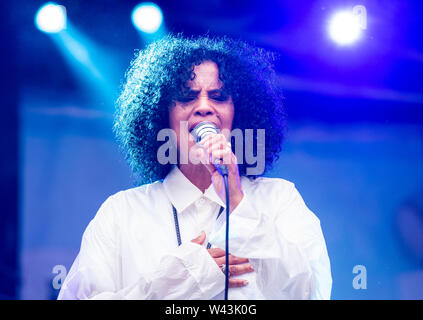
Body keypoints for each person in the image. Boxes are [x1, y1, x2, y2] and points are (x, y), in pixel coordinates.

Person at [58, 35, 332, 300]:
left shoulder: (279, 200)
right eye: (187, 97)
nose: (204, 106)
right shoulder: (122, 213)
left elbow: (309, 293)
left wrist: (238, 202)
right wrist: (173, 282)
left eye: (219, 96)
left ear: (240, 114)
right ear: (162, 116)